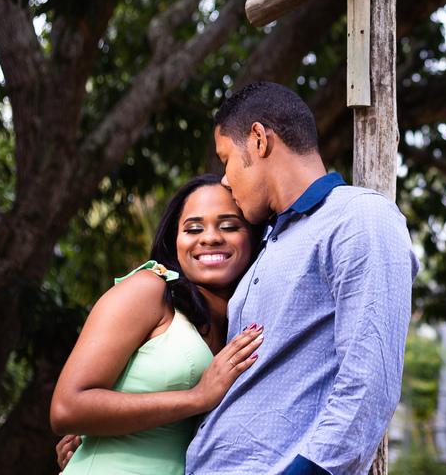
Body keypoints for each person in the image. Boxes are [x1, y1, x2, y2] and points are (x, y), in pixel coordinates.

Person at [185, 81, 418, 475]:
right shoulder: (269, 240)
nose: (224, 179)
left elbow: (368, 385)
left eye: (226, 159)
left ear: (259, 140)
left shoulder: (358, 218)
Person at [51, 174, 264, 474]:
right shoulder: (150, 291)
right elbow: (66, 409)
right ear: (173, 241)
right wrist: (197, 397)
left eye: (228, 226)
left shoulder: (248, 320)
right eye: (193, 228)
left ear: (254, 238)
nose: (210, 238)